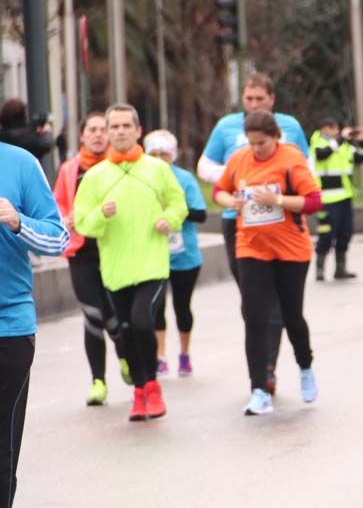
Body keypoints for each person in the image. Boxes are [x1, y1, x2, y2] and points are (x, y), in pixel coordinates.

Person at [197, 73, 309, 394]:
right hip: (239, 223)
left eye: (260, 99)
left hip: (283, 225)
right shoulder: (226, 127)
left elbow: (307, 169)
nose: (255, 104)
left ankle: (267, 369)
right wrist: (240, 178)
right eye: (249, 99)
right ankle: (262, 366)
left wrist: (277, 190)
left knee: (276, 303)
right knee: (253, 302)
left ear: (272, 99)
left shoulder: (290, 127)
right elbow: (205, 167)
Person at [74, 105, 187, 420]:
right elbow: (82, 222)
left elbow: (178, 203)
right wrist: (101, 214)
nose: (120, 131)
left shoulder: (157, 169)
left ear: (138, 131)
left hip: (152, 264)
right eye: (114, 126)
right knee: (125, 331)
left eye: (126, 126)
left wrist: (169, 219)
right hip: (115, 270)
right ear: (108, 132)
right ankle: (139, 392)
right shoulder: (95, 177)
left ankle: (153, 386)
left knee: (141, 322)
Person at [213, 111, 322, 416]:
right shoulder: (239, 159)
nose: (256, 149)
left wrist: (278, 201)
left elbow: (314, 202)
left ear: (275, 137)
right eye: (251, 143)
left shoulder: (291, 160)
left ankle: (305, 367)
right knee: (254, 316)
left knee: (291, 315)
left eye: (262, 143)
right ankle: (259, 389)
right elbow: (219, 190)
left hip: (291, 250)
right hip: (251, 247)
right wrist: (230, 202)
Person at [0, 139, 69, 508]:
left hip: (7, 326)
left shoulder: (20, 164)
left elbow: (58, 238)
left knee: (1, 444)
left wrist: (18, 221)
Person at [53, 112, 131, 405]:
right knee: (92, 313)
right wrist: (65, 219)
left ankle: (125, 356)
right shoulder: (69, 169)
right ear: (82, 135)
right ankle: (98, 381)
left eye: (102, 129)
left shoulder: (119, 167)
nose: (98, 135)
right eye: (92, 130)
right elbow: (57, 204)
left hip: (113, 247)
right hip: (81, 251)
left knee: (113, 313)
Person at [142, 130, 207, 377]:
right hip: (153, 255)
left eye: (164, 154)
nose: (159, 159)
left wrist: (173, 212)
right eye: (154, 154)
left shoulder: (184, 179)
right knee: (156, 308)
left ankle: (184, 353)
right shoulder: (140, 179)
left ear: (173, 155)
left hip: (184, 256)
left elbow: (200, 213)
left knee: (182, 306)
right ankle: (160, 356)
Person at [310, 117, 363, 281]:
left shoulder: (344, 146)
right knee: (326, 234)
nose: (335, 131)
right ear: (322, 129)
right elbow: (322, 155)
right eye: (331, 128)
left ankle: (340, 268)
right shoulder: (317, 144)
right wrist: (341, 139)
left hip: (345, 197)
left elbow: (361, 157)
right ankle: (320, 269)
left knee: (345, 233)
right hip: (326, 200)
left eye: (336, 127)